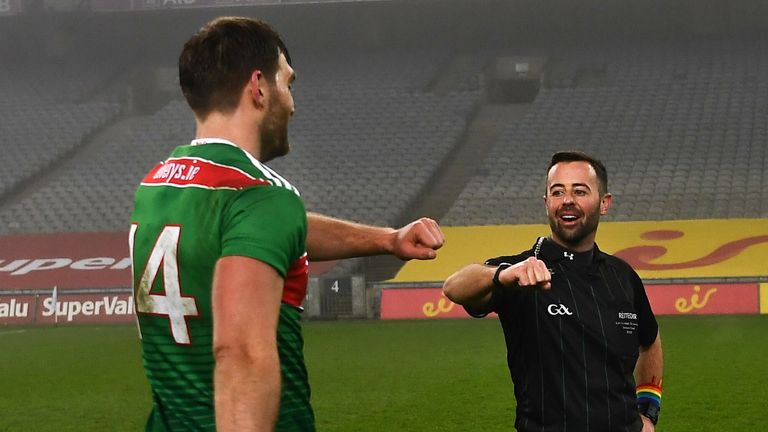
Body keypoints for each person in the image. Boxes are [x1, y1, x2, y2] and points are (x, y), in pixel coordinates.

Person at [129, 17, 444, 432]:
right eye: (288, 84)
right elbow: (239, 352)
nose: (292, 102)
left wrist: (387, 239)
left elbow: (266, 232)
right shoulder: (261, 196)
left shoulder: (157, 186)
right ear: (258, 87)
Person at [442, 151, 663, 432]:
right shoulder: (522, 272)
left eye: (580, 191)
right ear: (547, 204)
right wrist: (503, 274)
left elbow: (650, 340)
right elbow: (455, 287)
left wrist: (648, 412)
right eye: (557, 192)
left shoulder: (622, 276)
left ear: (604, 203)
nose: (567, 200)